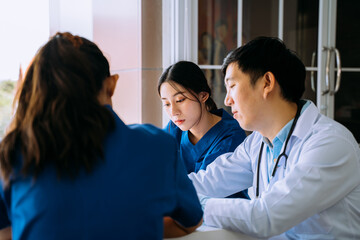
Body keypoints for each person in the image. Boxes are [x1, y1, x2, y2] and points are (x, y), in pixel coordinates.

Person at [0, 32, 203, 240]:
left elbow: (6, 232)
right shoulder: (158, 146)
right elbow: (190, 221)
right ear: (111, 84)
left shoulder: (12, 152)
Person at [188, 36, 360, 239]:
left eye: (232, 86)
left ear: (267, 82)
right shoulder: (257, 142)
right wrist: (161, 191)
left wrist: (186, 204)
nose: (226, 100)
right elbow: (209, 181)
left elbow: (265, 217)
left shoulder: (331, 143)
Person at [158, 61, 248, 199]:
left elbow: (205, 188)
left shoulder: (230, 136)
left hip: (220, 216)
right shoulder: (173, 129)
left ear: (203, 96)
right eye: (167, 104)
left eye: (180, 100)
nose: (173, 111)